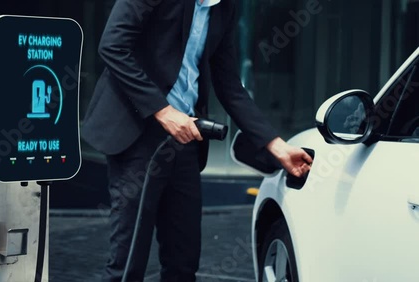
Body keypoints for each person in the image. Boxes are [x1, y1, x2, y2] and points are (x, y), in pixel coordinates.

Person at [82, 0, 313, 281]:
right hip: (136, 136)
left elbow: (229, 84)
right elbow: (113, 47)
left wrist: (277, 146)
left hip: (186, 139)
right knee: (128, 264)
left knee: (184, 262)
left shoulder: (224, 8)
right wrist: (162, 111)